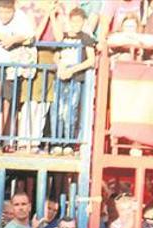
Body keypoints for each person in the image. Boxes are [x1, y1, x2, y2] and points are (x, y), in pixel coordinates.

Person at [0, 0, 34, 153]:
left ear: (13, 9)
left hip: (12, 62)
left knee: (7, 101)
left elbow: (29, 34)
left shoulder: (21, 16)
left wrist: (13, 39)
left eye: (7, 12)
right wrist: (0, 36)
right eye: (1, 12)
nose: (4, 15)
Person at [51, 8, 96, 156]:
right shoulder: (63, 37)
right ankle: (56, 141)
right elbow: (56, 56)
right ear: (69, 21)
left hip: (75, 79)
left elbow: (91, 60)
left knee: (71, 111)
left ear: (83, 22)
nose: (76, 24)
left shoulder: (86, 38)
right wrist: (61, 66)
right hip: (61, 77)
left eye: (79, 21)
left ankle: (69, 142)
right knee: (57, 109)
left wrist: (73, 69)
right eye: (73, 21)